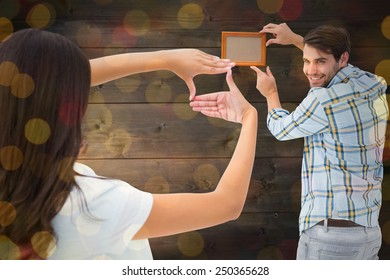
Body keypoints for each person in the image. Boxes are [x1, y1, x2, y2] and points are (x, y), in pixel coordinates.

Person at [0, 28, 258, 260]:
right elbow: (225, 204)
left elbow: (45, 87)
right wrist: (249, 117)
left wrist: (166, 59)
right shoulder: (93, 207)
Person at [252, 23, 388, 259]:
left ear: (342, 58)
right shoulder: (373, 83)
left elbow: (281, 129)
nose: (311, 70)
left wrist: (271, 93)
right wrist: (296, 39)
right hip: (369, 235)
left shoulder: (322, 100)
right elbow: (335, 64)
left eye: (320, 61)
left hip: (330, 237)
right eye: (306, 60)